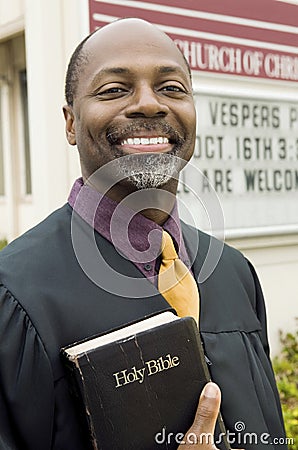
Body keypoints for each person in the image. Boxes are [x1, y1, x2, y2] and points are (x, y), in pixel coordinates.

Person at [0, 18, 287, 450]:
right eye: (114, 89)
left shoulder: (235, 273)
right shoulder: (14, 297)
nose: (150, 105)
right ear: (70, 123)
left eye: (172, 88)